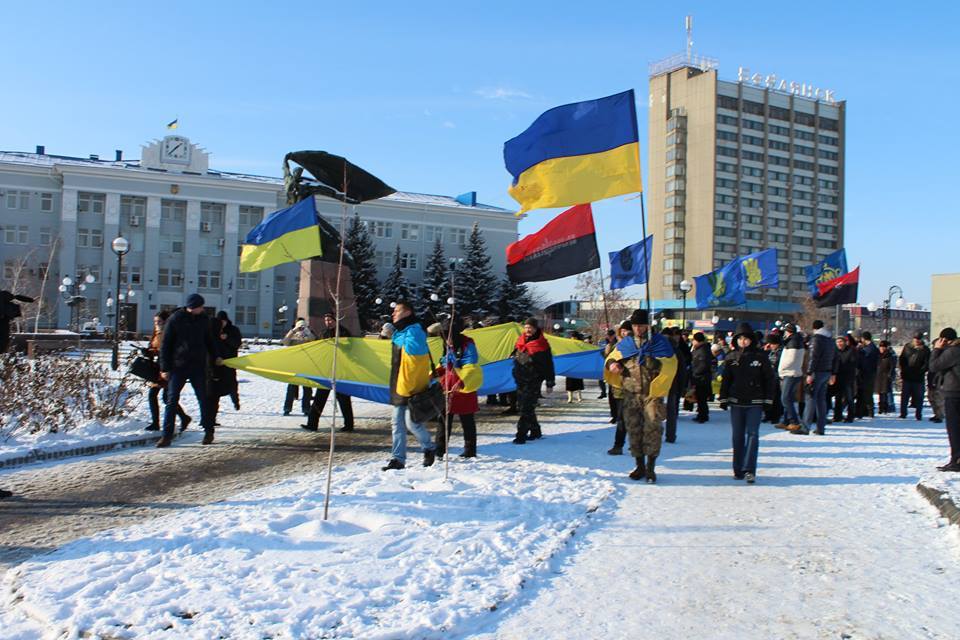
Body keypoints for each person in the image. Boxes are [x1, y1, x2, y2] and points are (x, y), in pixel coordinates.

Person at [606, 309, 675, 483]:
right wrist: (613, 365)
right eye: (635, 326)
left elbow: (671, 362)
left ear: (648, 325)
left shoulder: (659, 343)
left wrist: (658, 362)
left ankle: (651, 468)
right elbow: (611, 358)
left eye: (641, 325)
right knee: (634, 430)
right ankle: (639, 466)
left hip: (652, 395)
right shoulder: (626, 344)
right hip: (631, 394)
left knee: (652, 429)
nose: (638, 329)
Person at [382, 300, 437, 470]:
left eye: (397, 311)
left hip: (410, 386)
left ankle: (429, 448)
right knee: (397, 424)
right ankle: (398, 459)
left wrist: (396, 335)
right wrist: (394, 334)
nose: (393, 314)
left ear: (407, 312)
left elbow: (415, 362)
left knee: (412, 424)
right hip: (400, 383)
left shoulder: (414, 331)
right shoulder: (404, 331)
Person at [718, 323, 775, 483]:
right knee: (737, 437)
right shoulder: (731, 357)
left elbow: (769, 379)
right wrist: (723, 398)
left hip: (755, 402)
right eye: (740, 339)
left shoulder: (760, 357)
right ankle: (738, 469)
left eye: (746, 339)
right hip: (736, 402)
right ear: (736, 340)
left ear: (751, 340)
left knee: (753, 435)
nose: (743, 342)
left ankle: (749, 469)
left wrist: (768, 399)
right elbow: (726, 380)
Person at [158, 294, 216, 447]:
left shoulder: (204, 320)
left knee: (203, 398)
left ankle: (209, 431)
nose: (202, 309)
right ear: (192, 307)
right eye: (200, 306)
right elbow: (166, 345)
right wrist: (165, 368)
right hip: (178, 365)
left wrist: (215, 358)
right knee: (171, 400)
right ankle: (166, 435)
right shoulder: (176, 319)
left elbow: (209, 341)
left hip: (198, 365)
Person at [434, 315, 483, 458]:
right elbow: (445, 361)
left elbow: (471, 365)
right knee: (443, 420)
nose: (446, 338)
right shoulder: (447, 344)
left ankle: (470, 450)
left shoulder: (467, 344)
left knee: (467, 420)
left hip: (463, 388)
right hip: (448, 387)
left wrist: (462, 381)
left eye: (448, 334)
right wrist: (436, 371)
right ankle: (440, 450)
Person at [302, 313, 355, 432]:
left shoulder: (343, 332)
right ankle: (312, 423)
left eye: (330, 320)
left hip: (341, 371)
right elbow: (317, 346)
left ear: (335, 320)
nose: (328, 322)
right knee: (319, 399)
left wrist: (338, 345)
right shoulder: (323, 333)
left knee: (343, 399)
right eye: (326, 320)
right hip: (326, 371)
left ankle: (349, 425)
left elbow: (350, 348)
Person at [144, 311, 191, 432]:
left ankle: (183, 418)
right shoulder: (157, 333)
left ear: (166, 322)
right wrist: (148, 352)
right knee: (153, 395)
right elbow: (155, 349)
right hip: (159, 369)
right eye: (155, 322)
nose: (157, 324)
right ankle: (157, 422)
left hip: (168, 369)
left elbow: (167, 350)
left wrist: (155, 352)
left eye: (159, 321)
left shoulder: (169, 333)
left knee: (166, 398)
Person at [512, 318, 555, 444]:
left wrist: (550, 382)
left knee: (526, 407)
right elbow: (516, 356)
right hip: (520, 379)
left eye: (530, 327)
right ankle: (536, 430)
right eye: (526, 327)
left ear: (536, 329)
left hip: (534, 380)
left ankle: (521, 435)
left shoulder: (542, 345)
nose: (528, 330)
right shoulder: (520, 342)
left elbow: (548, 365)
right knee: (524, 407)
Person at [796, 319, 836, 436]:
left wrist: (809, 373)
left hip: (817, 372)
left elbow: (813, 357)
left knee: (810, 398)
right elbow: (834, 357)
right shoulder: (830, 340)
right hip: (826, 372)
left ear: (814, 328)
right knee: (821, 400)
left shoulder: (816, 339)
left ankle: (805, 427)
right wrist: (832, 373)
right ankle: (821, 427)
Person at [929, 328, 960, 471]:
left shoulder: (953, 351)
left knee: (954, 428)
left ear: (945, 340)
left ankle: (956, 460)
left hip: (954, 393)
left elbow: (934, 366)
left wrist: (936, 350)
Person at [208, 310, 242, 423]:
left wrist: (226, 338)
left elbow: (237, 344)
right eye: (219, 322)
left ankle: (235, 401)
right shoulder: (213, 330)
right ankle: (211, 418)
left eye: (223, 321)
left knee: (232, 384)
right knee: (214, 393)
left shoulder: (233, 330)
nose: (221, 324)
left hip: (230, 362)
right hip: (216, 365)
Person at [607, 322, 633, 454]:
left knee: (634, 418)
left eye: (628, 330)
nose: (625, 333)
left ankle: (633, 444)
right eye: (623, 331)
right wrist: (612, 362)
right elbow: (610, 358)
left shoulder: (639, 345)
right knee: (622, 418)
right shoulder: (618, 346)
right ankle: (619, 445)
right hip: (620, 388)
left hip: (636, 387)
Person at [282, 318, 317, 416]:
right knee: (291, 388)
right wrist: (293, 331)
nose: (301, 328)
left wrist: (307, 331)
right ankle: (287, 408)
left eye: (303, 326)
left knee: (307, 389)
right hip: (295, 366)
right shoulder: (293, 336)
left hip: (307, 366)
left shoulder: (309, 335)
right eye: (300, 326)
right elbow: (285, 342)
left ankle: (306, 409)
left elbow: (314, 340)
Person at [777, 323, 805, 431]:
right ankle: (786, 420)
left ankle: (794, 421)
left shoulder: (793, 341)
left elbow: (791, 359)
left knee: (785, 399)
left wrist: (781, 369)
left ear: (788, 331)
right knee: (788, 398)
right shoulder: (796, 340)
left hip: (790, 373)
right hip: (793, 372)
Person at [665, 327, 691, 443]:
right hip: (673, 385)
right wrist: (682, 388)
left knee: (654, 412)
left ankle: (653, 434)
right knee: (671, 412)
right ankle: (671, 435)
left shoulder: (655, 350)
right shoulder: (677, 351)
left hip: (658, 386)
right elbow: (682, 372)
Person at [899, 333, 930, 421]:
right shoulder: (907, 347)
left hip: (918, 377)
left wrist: (921, 371)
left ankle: (918, 414)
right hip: (907, 375)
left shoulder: (925, 350)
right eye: (915, 338)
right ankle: (903, 413)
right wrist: (904, 369)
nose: (916, 340)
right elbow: (902, 359)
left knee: (919, 397)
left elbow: (926, 364)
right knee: (905, 396)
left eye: (918, 339)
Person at [832, 334, 859, 423]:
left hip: (848, 377)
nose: (839, 344)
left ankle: (850, 416)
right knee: (838, 397)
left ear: (845, 342)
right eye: (837, 342)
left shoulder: (851, 351)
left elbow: (853, 363)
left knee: (849, 397)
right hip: (837, 377)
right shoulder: (835, 351)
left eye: (841, 342)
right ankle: (837, 416)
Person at [690, 331, 713, 423]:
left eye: (693, 340)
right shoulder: (701, 349)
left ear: (696, 340)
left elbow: (703, 365)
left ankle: (702, 416)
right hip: (701, 378)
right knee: (700, 398)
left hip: (702, 378)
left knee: (701, 398)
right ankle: (702, 414)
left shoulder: (702, 350)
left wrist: (695, 373)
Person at [856, 331, 879, 418]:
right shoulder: (872, 348)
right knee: (866, 393)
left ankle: (869, 411)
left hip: (867, 374)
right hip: (869, 373)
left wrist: (859, 351)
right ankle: (865, 411)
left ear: (863, 339)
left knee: (866, 393)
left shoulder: (868, 349)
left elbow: (864, 361)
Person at [763, 333, 784, 425]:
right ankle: (768, 415)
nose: (770, 345)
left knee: (776, 398)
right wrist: (765, 351)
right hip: (769, 376)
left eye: (771, 344)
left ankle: (775, 416)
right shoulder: (770, 351)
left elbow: (777, 363)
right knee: (768, 396)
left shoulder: (780, 352)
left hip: (776, 376)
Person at [876, 340, 897, 414]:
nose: (882, 348)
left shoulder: (890, 355)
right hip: (878, 376)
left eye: (883, 347)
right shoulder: (877, 355)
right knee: (880, 393)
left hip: (886, 376)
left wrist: (889, 375)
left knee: (886, 393)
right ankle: (881, 407)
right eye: (881, 347)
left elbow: (892, 367)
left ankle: (886, 407)